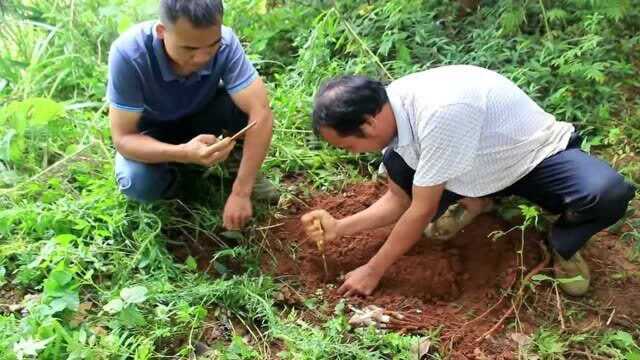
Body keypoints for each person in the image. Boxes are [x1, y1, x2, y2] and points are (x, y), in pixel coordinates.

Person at [301, 65, 636, 297]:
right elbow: (399, 201)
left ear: (368, 122)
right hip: (470, 166)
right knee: (403, 172)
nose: (355, 153)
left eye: (348, 146)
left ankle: (564, 244)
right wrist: (340, 227)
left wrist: (373, 271)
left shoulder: (440, 114)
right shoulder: (392, 114)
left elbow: (419, 210)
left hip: (528, 159)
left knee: (606, 194)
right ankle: (478, 200)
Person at [107, 0, 278, 230]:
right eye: (189, 49)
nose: (202, 57)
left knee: (248, 106)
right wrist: (183, 154)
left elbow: (261, 114)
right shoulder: (129, 54)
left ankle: (235, 165)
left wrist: (241, 191)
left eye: (212, 45)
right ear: (161, 32)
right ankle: (178, 182)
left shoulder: (226, 43)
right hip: (154, 131)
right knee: (137, 181)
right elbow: (124, 139)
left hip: (201, 114)